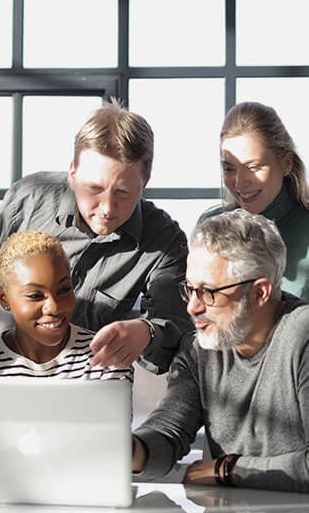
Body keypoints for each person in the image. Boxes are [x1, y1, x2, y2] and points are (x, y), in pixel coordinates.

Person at [0, 99, 193, 374]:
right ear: (72, 173)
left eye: (123, 192)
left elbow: (174, 331)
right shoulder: (30, 198)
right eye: (94, 188)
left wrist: (147, 332)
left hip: (79, 386)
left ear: (145, 182)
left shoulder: (165, 242)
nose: (107, 208)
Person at [131, 210, 309, 493]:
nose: (192, 307)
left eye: (208, 292)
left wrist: (227, 469)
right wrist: (129, 449)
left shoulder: (302, 336)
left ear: (260, 293)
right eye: (189, 289)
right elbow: (168, 432)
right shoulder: (198, 347)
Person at [0, 230, 133, 383]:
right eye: (35, 295)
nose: (54, 308)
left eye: (64, 290)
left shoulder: (108, 359)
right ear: (4, 299)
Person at [199, 101, 309, 299]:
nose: (240, 183)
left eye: (253, 167)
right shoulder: (210, 226)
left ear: (286, 163)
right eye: (229, 169)